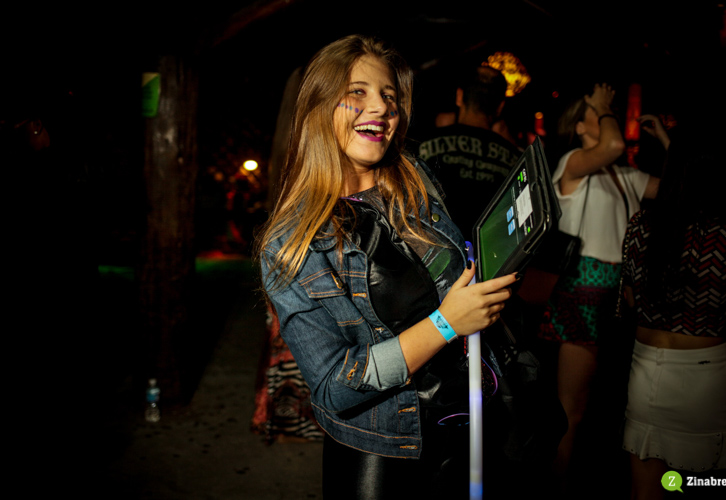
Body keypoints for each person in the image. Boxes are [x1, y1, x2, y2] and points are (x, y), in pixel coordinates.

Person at [257, 35, 518, 499]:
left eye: (389, 95)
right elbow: (334, 386)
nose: (381, 106)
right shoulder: (291, 242)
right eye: (357, 92)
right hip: (387, 449)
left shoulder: (414, 179)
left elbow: (452, 270)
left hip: (474, 421)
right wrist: (447, 323)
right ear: (319, 106)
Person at [536, 83, 661, 492]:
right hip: (583, 289)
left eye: (608, 110)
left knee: (611, 404)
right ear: (579, 125)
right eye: (597, 112)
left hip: (623, 293)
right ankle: (557, 485)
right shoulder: (572, 163)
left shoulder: (625, 176)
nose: (608, 115)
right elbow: (612, 145)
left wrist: (665, 140)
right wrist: (604, 105)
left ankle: (597, 479)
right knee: (571, 408)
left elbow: (681, 189)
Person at [620, 121, 726, 499]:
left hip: (645, 373)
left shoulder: (642, 225)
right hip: (709, 377)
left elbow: (630, 300)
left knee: (646, 492)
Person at [418, 64, 520, 238]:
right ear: (499, 107)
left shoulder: (423, 143)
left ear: (459, 97)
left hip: (434, 245)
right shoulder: (516, 160)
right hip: (491, 249)